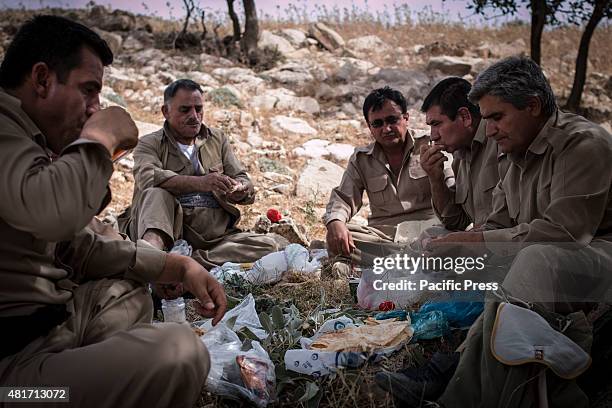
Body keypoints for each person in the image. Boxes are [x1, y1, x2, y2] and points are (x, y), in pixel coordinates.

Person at [0, 16, 226, 408]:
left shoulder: (28, 137)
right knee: (179, 353)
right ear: (41, 79)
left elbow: (74, 245)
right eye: (89, 91)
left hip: (51, 322)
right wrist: (99, 138)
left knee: (128, 295)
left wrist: (175, 267)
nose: (94, 107)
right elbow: (54, 214)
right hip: (12, 376)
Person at [378, 57, 612, 407]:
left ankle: (454, 393)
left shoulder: (582, 145)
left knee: (534, 260)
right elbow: (496, 226)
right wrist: (456, 247)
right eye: (486, 119)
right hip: (555, 256)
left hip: (597, 254)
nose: (488, 131)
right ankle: (451, 367)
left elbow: (562, 233)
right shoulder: (515, 156)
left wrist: (471, 240)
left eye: (496, 117)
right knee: (487, 265)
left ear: (532, 106)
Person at [120, 79, 282, 296]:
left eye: (199, 109)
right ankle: (151, 261)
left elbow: (243, 179)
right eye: (185, 110)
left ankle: (183, 265)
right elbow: (147, 177)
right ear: (165, 111)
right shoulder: (149, 143)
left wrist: (241, 188)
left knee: (269, 246)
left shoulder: (217, 139)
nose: (194, 116)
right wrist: (201, 183)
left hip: (213, 241)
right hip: (166, 232)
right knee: (155, 193)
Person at [324, 86, 437, 276]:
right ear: (370, 128)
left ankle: (379, 265)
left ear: (406, 118)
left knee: (451, 238)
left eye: (392, 120)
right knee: (342, 235)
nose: (387, 129)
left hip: (428, 231)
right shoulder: (361, 159)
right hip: (384, 236)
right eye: (377, 123)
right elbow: (343, 197)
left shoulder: (429, 145)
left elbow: (453, 192)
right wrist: (335, 222)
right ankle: (409, 262)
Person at [420, 77, 508, 232]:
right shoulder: (460, 157)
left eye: (437, 124)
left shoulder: (500, 142)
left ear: (465, 117)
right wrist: (436, 179)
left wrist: (469, 242)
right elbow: (457, 222)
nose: (433, 136)